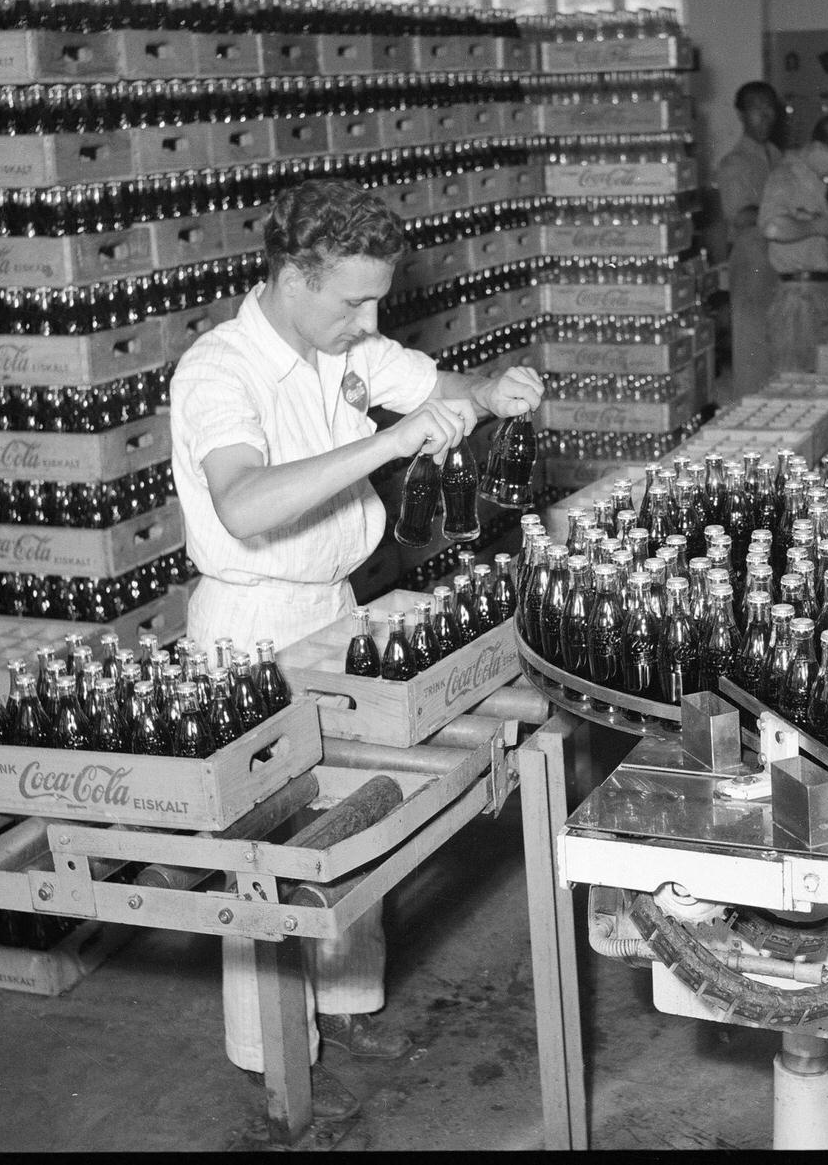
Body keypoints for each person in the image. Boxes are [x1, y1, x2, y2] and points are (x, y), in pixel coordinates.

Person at [169, 179, 543, 1116]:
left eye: (377, 297)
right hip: (251, 630)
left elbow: (437, 387)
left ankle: (342, 1009)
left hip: (335, 611)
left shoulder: (349, 349)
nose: (370, 317)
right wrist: (391, 446)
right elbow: (246, 503)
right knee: (268, 849)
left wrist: (487, 389)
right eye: (353, 299)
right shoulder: (220, 370)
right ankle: (273, 1059)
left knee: (357, 820)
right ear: (294, 275)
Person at [757, 113, 828, 372]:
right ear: (817, 148)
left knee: (827, 384)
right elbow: (772, 227)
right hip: (799, 301)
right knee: (797, 389)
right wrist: (816, 226)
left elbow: (804, 233)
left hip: (821, 294)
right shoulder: (786, 178)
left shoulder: (814, 182)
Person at [715, 80, 785, 250]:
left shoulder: (777, 155)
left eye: (769, 107)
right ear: (741, 114)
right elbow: (740, 217)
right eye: (756, 109)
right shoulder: (733, 163)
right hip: (748, 253)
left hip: (777, 250)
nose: (764, 115)